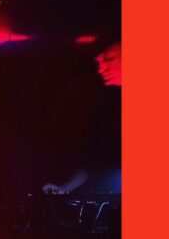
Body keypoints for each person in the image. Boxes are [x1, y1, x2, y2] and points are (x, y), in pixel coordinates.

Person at [43, 40, 121, 195]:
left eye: (109, 59)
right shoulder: (109, 104)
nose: (101, 68)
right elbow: (96, 159)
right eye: (99, 62)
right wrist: (63, 189)